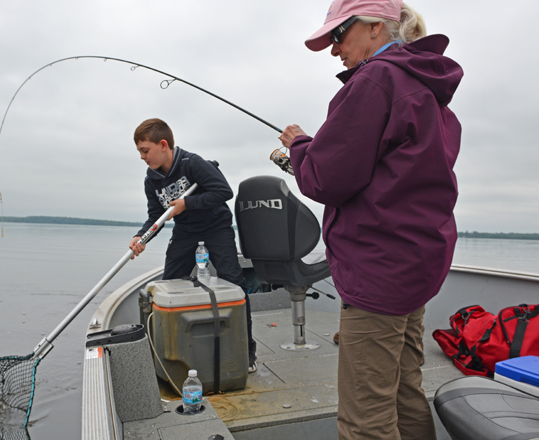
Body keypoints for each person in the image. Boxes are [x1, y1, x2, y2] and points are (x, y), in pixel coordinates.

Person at [278, 1, 462, 439]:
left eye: (339, 35)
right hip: (414, 264)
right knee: (403, 390)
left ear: (376, 27)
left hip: (379, 270)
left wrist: (301, 146)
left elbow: (326, 177)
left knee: (365, 419)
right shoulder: (425, 86)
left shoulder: (377, 79)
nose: (333, 49)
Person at [129, 118, 258, 373]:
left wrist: (187, 204)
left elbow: (223, 192)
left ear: (163, 144)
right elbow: (157, 215)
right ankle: (171, 351)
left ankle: (247, 352)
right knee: (170, 283)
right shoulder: (151, 179)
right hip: (185, 232)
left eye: (145, 150)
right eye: (139, 152)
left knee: (235, 281)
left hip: (216, 227)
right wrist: (141, 237)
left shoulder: (192, 163)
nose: (142, 157)